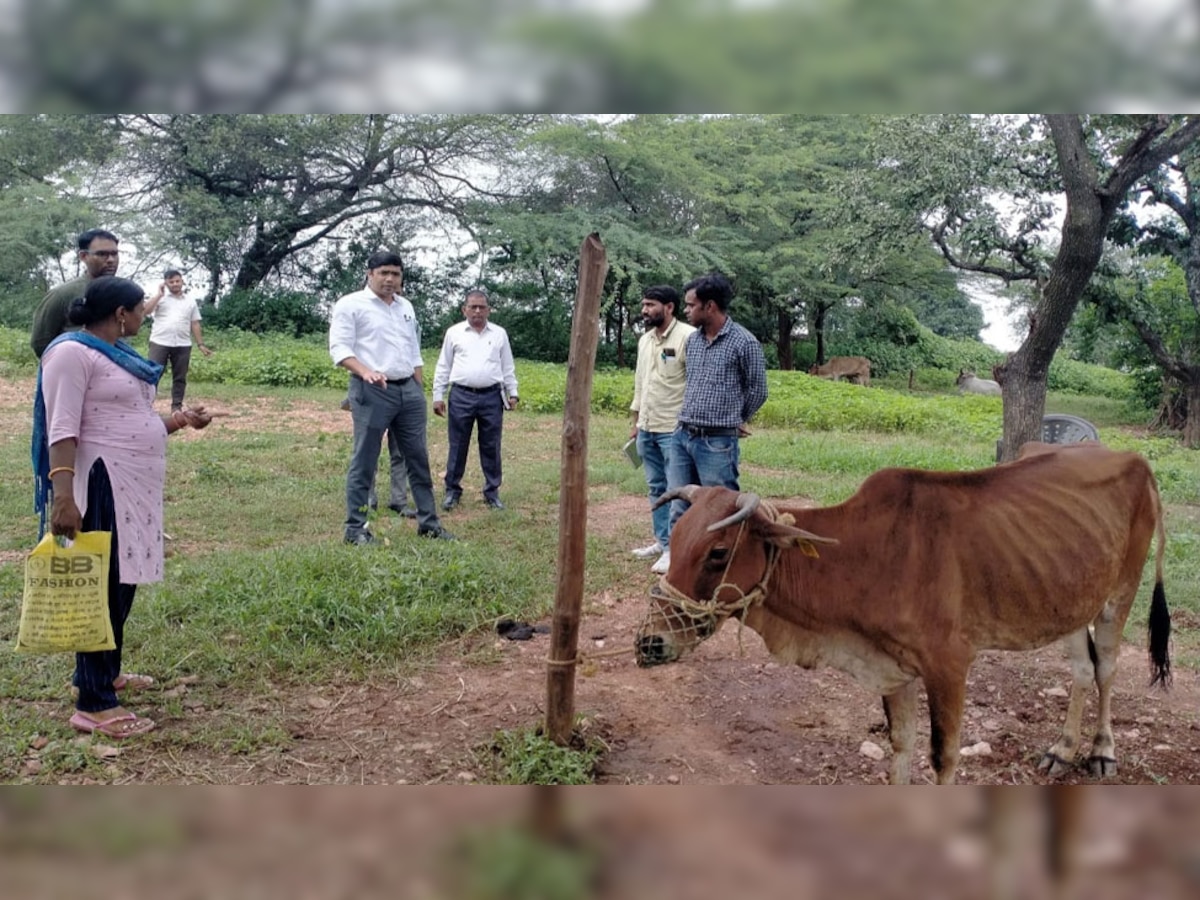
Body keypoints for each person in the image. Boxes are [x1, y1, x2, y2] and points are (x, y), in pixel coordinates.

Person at [33, 276, 213, 738]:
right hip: (99, 482)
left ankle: (102, 674)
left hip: (133, 485)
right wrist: (64, 496)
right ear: (120, 314)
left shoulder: (121, 356)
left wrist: (178, 420)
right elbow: (62, 429)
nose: (143, 317)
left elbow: (127, 419)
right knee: (101, 586)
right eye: (140, 311)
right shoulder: (70, 353)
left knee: (123, 581)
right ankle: (93, 704)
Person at [328, 250, 454, 543]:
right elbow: (340, 348)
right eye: (383, 272)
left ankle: (429, 524)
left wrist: (418, 390)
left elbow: (413, 351)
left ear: (401, 277)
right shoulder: (351, 304)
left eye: (395, 274)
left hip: (407, 389)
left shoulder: (405, 306)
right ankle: (355, 529)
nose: (389, 279)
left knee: (418, 458)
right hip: (372, 389)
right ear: (370, 274)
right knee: (365, 460)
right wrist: (365, 371)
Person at [663, 273, 768, 574]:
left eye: (690, 305)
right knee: (680, 505)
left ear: (709, 306)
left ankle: (728, 567)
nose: (686, 310)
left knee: (722, 510)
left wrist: (735, 418)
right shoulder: (693, 342)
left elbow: (759, 390)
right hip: (683, 436)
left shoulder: (744, 342)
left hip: (717, 443)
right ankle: (679, 564)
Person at [431, 288, 519, 511]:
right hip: (461, 395)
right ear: (464, 309)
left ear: (488, 310)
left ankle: (492, 491)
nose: (477, 311)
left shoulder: (499, 334)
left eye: (482, 307)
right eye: (473, 307)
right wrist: (438, 395)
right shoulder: (454, 333)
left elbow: (507, 365)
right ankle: (452, 490)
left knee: (491, 445)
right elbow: (444, 365)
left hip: (492, 396)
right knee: (458, 444)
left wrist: (513, 391)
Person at [628, 285, 695, 574]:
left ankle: (674, 548)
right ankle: (661, 541)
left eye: (651, 305)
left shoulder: (688, 338)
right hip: (647, 426)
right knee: (655, 487)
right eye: (644, 305)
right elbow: (640, 382)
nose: (645, 310)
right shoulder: (644, 341)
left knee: (676, 490)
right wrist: (636, 421)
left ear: (669, 307)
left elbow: (694, 385)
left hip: (674, 428)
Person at [30, 228, 121, 358]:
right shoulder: (63, 294)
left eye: (114, 254)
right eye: (102, 254)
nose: (111, 260)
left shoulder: (122, 293)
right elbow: (40, 343)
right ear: (83, 256)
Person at [143, 269, 213, 412]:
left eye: (177, 281)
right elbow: (145, 311)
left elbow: (195, 323)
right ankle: (145, 406)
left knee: (180, 377)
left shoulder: (190, 301)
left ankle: (176, 407)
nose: (175, 284)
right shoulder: (160, 298)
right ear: (166, 283)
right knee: (153, 374)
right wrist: (158, 294)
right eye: (171, 282)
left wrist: (200, 344)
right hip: (159, 341)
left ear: (182, 281)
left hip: (182, 343)